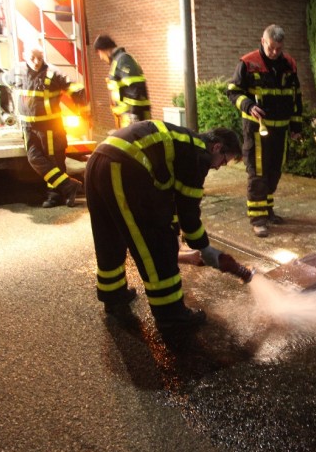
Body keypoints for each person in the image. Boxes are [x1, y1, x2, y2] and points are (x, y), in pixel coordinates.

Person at [85, 121, 249, 331]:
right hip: (123, 167)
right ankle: (173, 317)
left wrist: (174, 231)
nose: (218, 167)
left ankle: (114, 296)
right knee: (155, 246)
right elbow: (188, 210)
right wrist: (204, 247)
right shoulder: (198, 155)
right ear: (217, 147)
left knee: (110, 236)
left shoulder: (183, 143)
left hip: (99, 161)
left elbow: (166, 199)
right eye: (223, 161)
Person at [226, 24, 302, 238]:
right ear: (263, 41)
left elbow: (296, 96)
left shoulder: (289, 64)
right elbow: (232, 92)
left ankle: (267, 211)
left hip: (280, 132)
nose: (275, 53)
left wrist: (296, 126)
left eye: (279, 48)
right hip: (256, 131)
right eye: (271, 48)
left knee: (274, 172)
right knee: (257, 174)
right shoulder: (248, 63)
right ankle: (258, 219)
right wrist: (249, 105)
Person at [0, 43, 85, 208]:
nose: (36, 62)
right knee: (34, 158)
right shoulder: (18, 71)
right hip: (28, 126)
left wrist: (82, 110)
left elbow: (76, 89)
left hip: (50, 126)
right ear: (24, 56)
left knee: (54, 161)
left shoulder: (53, 73)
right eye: (32, 58)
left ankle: (55, 195)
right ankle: (68, 186)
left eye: (39, 58)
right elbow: (2, 79)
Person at [93, 35, 151, 129]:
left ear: (103, 50)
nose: (100, 57)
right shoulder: (117, 61)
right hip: (126, 119)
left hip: (133, 119)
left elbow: (136, 86)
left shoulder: (123, 60)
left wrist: (134, 117)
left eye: (99, 53)